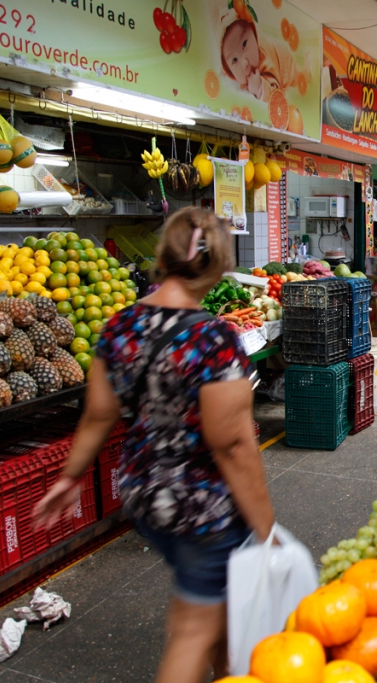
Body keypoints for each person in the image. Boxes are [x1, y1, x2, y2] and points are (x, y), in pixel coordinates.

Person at [34, 208, 274, 683]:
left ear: (164, 255)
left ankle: (227, 670)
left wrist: (69, 477)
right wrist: (266, 524)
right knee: (190, 628)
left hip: (143, 493)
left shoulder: (120, 325)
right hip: (201, 505)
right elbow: (231, 446)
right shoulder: (214, 337)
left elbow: (99, 414)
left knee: (211, 590)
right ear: (215, 267)